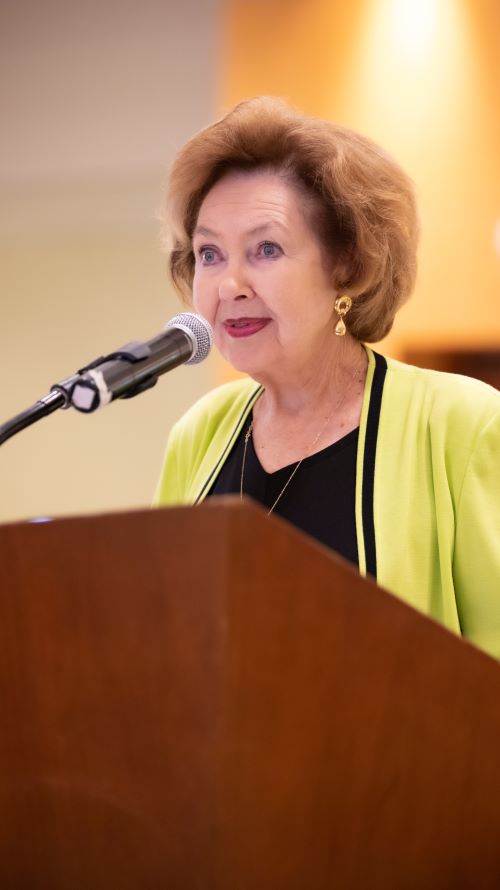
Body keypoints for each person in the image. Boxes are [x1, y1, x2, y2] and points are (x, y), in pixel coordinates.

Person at [154, 96, 500, 658]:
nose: (229, 285)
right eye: (209, 254)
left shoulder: (463, 424)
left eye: (265, 249)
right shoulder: (200, 434)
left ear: (347, 265)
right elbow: (161, 632)